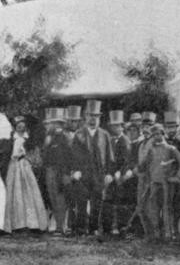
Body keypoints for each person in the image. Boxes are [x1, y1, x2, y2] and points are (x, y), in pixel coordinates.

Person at [69, 100, 114, 235]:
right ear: (85, 117)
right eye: (90, 116)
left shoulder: (105, 135)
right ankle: (81, 229)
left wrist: (109, 173)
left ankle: (93, 228)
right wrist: (75, 171)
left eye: (96, 116)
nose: (93, 119)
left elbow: (110, 156)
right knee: (81, 202)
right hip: (83, 174)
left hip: (99, 174)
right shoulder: (79, 134)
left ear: (99, 118)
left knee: (97, 203)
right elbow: (72, 156)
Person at [138, 124, 180, 240]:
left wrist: (177, 177)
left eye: (158, 134)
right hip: (154, 182)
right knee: (153, 207)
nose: (156, 137)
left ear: (163, 134)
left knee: (167, 207)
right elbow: (143, 165)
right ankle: (156, 233)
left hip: (167, 183)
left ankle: (169, 233)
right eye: (153, 135)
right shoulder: (151, 150)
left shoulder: (171, 149)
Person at [3, 115, 49, 232]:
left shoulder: (28, 140)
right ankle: (16, 223)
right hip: (13, 167)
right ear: (15, 127)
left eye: (22, 126)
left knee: (28, 192)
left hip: (25, 166)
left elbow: (35, 156)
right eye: (18, 126)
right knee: (14, 193)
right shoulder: (10, 140)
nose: (20, 128)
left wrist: (26, 156)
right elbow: (6, 155)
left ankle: (31, 223)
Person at [41, 108, 71, 235]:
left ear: (58, 124)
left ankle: (61, 227)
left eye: (52, 123)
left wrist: (66, 173)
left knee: (60, 199)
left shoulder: (64, 137)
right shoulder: (49, 138)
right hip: (49, 171)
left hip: (60, 171)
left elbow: (69, 156)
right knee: (52, 197)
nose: (50, 125)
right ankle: (57, 226)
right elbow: (45, 157)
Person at [106, 111, 131, 235]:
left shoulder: (125, 140)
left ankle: (122, 226)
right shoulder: (110, 140)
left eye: (118, 126)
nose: (115, 128)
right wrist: (109, 173)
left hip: (121, 175)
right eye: (113, 126)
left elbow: (127, 160)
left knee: (121, 200)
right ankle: (112, 225)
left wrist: (119, 173)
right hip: (112, 174)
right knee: (111, 200)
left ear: (122, 127)